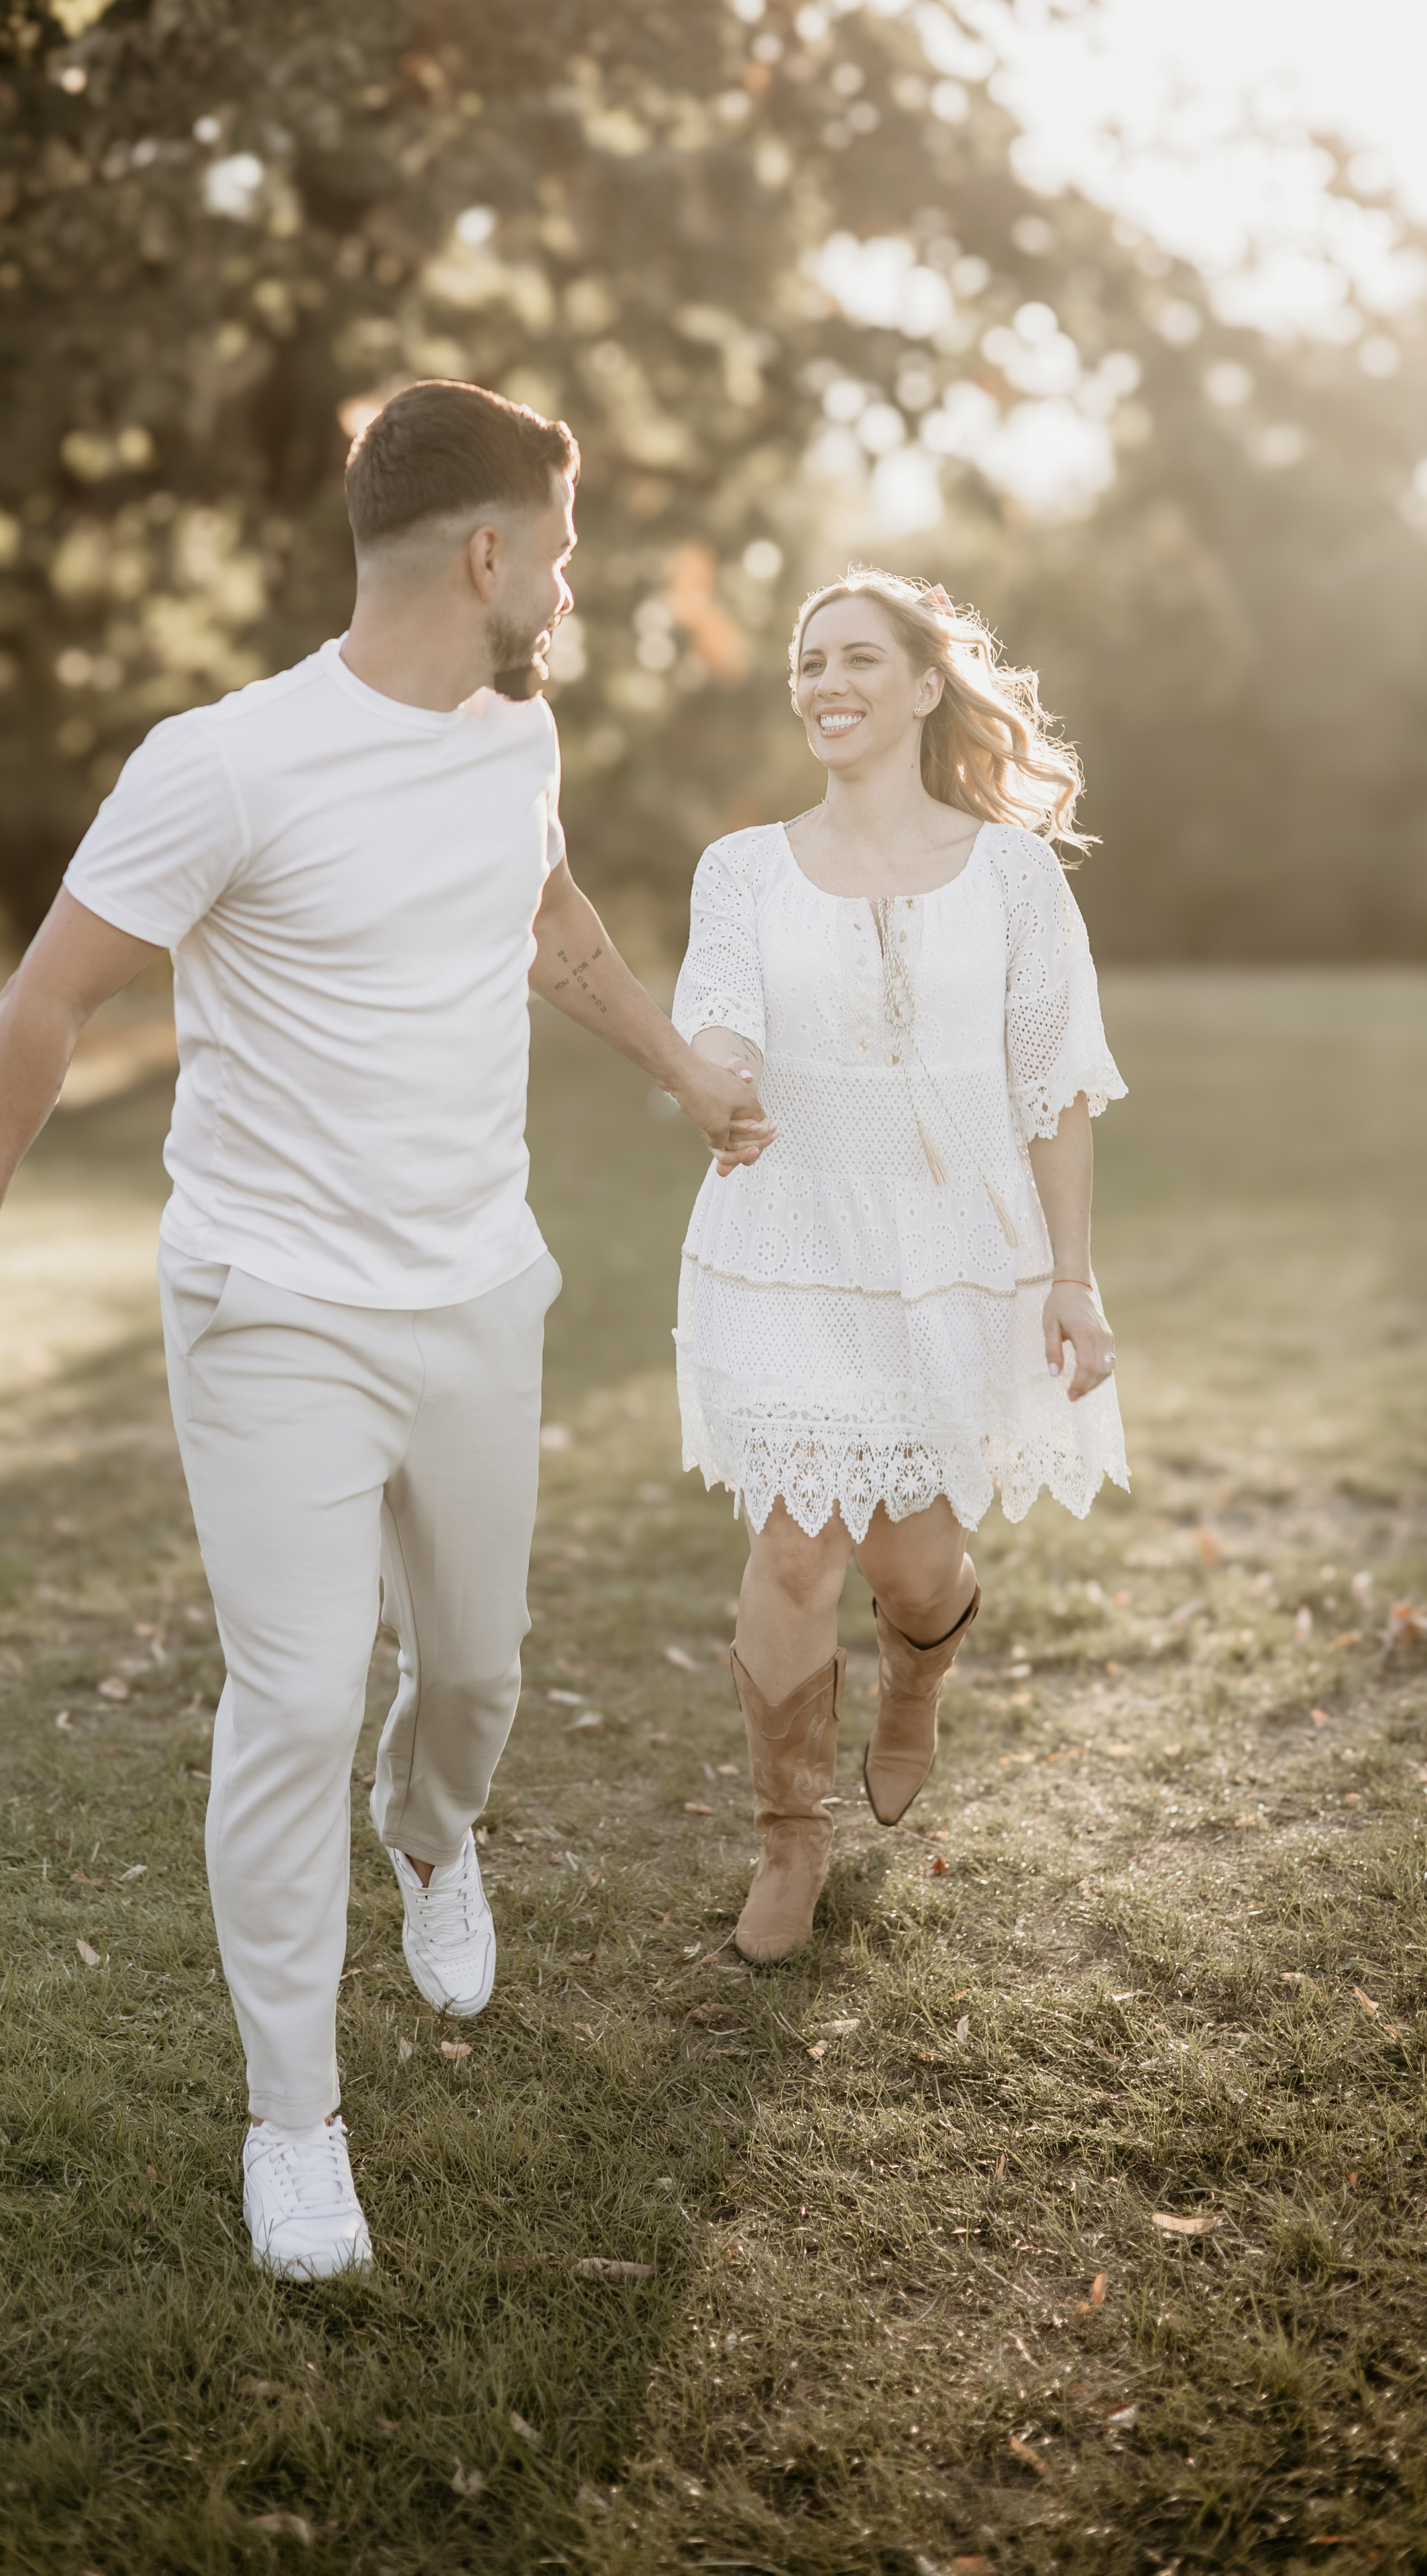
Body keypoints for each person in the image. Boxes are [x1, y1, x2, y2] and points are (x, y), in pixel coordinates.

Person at [0, 380, 774, 2278]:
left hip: (475, 1288)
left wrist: (682, 1066)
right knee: (292, 1692)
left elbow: (548, 916)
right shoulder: (223, 762)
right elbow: (45, 1004)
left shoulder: (516, 730)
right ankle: (296, 2127)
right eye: (567, 550)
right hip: (272, 1305)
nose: (576, 585)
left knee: (481, 1675)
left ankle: (431, 1832)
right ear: (489, 553)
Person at [671, 569, 1127, 1964]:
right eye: (807, 663)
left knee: (913, 1564)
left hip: (950, 1255)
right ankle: (785, 1837)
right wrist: (721, 1082)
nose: (824, 683)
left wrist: (1070, 1275)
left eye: (857, 657)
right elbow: (723, 1023)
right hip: (788, 1240)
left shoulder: (1009, 873)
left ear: (925, 686)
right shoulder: (740, 867)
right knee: (796, 1537)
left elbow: (1050, 1085)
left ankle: (916, 1672)